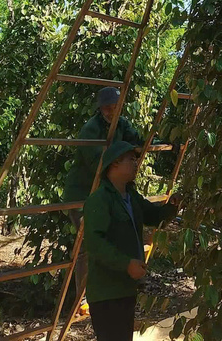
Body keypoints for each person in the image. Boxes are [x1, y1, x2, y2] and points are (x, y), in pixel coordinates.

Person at [84, 141, 180, 341]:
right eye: (131, 159)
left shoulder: (131, 197)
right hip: (106, 292)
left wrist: (172, 206)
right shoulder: (99, 200)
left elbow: (154, 216)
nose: (136, 163)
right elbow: (95, 243)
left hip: (125, 288)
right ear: (115, 164)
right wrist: (126, 264)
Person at [63, 87, 143, 312]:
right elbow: (99, 166)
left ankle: (106, 292)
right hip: (83, 193)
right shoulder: (91, 129)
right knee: (87, 243)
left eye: (115, 106)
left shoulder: (121, 123)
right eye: (107, 107)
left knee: (111, 239)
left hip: (102, 193)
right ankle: (82, 297)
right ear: (100, 109)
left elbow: (138, 138)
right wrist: (122, 168)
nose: (111, 111)